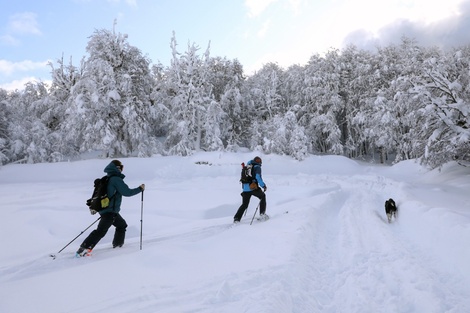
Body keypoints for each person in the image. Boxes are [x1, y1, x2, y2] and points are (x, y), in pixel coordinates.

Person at [76, 160, 145, 257]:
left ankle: (118, 246)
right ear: (117, 168)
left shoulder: (108, 178)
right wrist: (140, 189)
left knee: (122, 225)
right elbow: (127, 192)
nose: (122, 169)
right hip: (109, 211)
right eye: (121, 167)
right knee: (100, 231)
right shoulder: (116, 179)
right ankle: (83, 250)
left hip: (108, 210)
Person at [233, 156, 268, 223]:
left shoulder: (247, 166)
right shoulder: (257, 167)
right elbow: (258, 177)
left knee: (244, 204)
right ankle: (262, 214)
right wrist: (263, 186)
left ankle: (236, 218)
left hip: (245, 189)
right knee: (262, 196)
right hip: (253, 187)